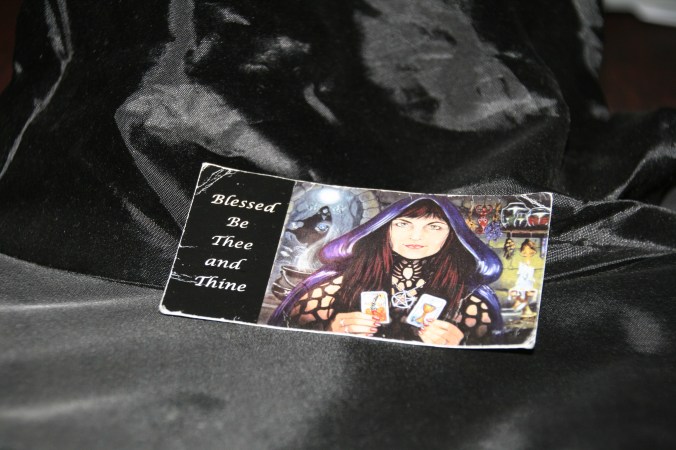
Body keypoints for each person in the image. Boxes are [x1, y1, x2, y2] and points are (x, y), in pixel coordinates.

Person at [268, 196, 504, 346]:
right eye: (403, 224)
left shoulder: (470, 299)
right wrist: (328, 331)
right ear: (384, 229)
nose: (416, 236)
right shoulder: (336, 284)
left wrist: (461, 346)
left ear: (452, 235)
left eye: (434, 226)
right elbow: (282, 340)